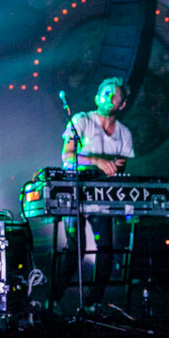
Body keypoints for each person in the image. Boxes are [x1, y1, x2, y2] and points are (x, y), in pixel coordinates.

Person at [51, 77, 134, 314]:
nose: (109, 97)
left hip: (103, 193)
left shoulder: (124, 133)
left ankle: (93, 302)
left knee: (106, 247)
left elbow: (120, 166)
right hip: (76, 188)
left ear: (122, 104)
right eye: (105, 92)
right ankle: (54, 298)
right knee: (76, 246)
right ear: (97, 97)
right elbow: (67, 156)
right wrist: (97, 161)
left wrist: (114, 167)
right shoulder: (81, 120)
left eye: (115, 94)